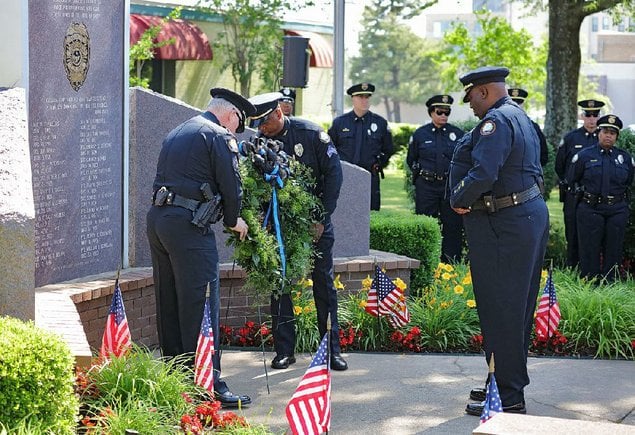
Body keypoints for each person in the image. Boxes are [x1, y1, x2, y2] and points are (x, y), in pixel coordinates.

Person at [448, 66, 549, 416]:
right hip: (524, 217)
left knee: (502, 308)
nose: (471, 106)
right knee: (514, 308)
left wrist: (458, 198)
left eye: (472, 97)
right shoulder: (519, 116)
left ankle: (508, 395)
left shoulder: (496, 122)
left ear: (485, 92)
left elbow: (484, 172)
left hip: (505, 224)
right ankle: (503, 380)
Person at [146, 88, 255, 408]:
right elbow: (232, 185)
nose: (236, 130)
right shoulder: (219, 136)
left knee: (170, 301)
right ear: (231, 115)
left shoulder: (179, 131)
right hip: (190, 229)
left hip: (160, 221)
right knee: (202, 304)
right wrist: (234, 220)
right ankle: (210, 385)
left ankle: (175, 379)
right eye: (238, 123)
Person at [247, 92, 348, 371]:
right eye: (257, 124)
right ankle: (284, 351)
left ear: (279, 113)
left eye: (264, 122)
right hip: (278, 225)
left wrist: (320, 218)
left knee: (324, 286)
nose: (261, 128)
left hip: (314, 223)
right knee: (280, 286)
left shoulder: (311, 134)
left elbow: (333, 176)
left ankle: (331, 350)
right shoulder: (259, 142)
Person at [567, 114, 634, 280]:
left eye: (613, 132)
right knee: (589, 250)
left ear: (617, 136)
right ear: (599, 132)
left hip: (617, 210)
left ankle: (610, 284)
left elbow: (629, 181)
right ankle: (590, 284)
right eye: (605, 131)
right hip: (590, 209)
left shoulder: (625, 158)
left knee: (614, 249)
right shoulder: (584, 156)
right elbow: (572, 179)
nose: (608, 135)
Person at [406, 94, 465, 262]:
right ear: (431, 113)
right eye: (440, 112)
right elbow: (412, 159)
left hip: (449, 187)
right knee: (425, 226)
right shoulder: (420, 134)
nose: (444, 116)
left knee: (452, 227)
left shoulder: (457, 134)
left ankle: (450, 265)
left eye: (447, 112)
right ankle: (425, 262)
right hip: (427, 186)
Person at [328, 83, 394, 210]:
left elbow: (388, 148)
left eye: (367, 97)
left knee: (370, 212)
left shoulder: (380, 123)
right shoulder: (339, 123)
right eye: (360, 97)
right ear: (353, 98)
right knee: (344, 211)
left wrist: (378, 164)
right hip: (345, 176)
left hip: (369, 176)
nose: (364, 100)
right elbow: (330, 148)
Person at [555, 99, 605, 268]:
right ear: (583, 116)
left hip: (594, 196)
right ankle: (572, 266)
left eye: (595, 115)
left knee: (593, 232)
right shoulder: (571, 138)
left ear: (599, 117)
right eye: (588, 115)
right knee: (572, 230)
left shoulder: (603, 138)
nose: (592, 119)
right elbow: (559, 166)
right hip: (573, 194)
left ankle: (590, 267)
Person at [507, 88, 549, 167]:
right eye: (512, 103)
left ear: (523, 104)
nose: (516, 106)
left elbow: (543, 156)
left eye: (518, 103)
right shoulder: (501, 125)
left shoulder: (533, 127)